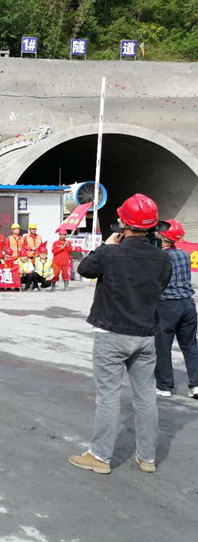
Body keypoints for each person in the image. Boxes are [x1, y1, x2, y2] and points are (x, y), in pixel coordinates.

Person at [68, 193, 172, 475]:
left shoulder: (111, 253)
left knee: (109, 397)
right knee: (146, 397)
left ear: (123, 223)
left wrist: (106, 245)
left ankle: (100, 457)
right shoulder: (163, 259)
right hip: (145, 335)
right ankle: (147, 457)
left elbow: (84, 268)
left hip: (111, 333)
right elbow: (160, 287)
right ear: (152, 226)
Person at [154, 219, 198, 399]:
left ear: (163, 236)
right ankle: (196, 385)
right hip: (188, 304)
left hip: (167, 306)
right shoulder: (185, 255)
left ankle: (164, 386)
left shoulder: (160, 257)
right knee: (190, 345)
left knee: (163, 346)